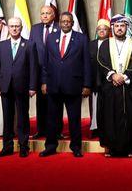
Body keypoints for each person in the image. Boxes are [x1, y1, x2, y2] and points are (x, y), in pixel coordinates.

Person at [39, 12, 92, 158]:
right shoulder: (51, 38)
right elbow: (45, 62)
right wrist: (44, 82)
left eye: (68, 21)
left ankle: (76, 147)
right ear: (59, 23)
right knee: (52, 119)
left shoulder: (81, 39)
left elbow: (87, 63)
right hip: (53, 85)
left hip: (73, 85)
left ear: (72, 23)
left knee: (74, 119)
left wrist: (87, 85)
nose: (65, 23)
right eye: (63, 21)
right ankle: (50, 146)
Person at [98, 15, 132, 157]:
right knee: (110, 117)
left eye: (122, 26)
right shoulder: (106, 44)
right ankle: (112, 148)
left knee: (130, 117)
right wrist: (113, 75)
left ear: (126, 28)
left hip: (128, 88)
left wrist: (123, 77)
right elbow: (101, 61)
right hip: (111, 88)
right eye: (117, 26)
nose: (119, 28)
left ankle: (131, 148)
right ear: (112, 28)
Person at [0, 17, 38, 157]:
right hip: (5, 87)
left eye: (17, 26)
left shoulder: (29, 45)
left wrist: (32, 86)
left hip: (22, 87)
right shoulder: (2, 45)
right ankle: (7, 147)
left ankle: (24, 146)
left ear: (21, 27)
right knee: (8, 118)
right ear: (9, 27)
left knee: (23, 118)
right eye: (12, 26)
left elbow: (33, 68)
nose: (14, 28)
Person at [29, 5, 61, 139]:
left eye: (48, 13)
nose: (45, 16)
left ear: (53, 15)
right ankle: (41, 130)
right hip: (38, 71)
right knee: (40, 103)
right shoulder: (35, 28)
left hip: (55, 72)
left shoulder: (60, 28)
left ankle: (57, 131)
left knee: (56, 102)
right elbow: (31, 50)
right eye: (42, 13)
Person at [89, 19, 110, 138]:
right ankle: (95, 127)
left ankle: (106, 128)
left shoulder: (112, 43)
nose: (102, 31)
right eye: (99, 29)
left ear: (109, 31)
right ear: (97, 31)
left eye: (105, 29)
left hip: (108, 81)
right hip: (94, 80)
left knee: (107, 106)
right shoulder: (90, 44)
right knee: (94, 105)